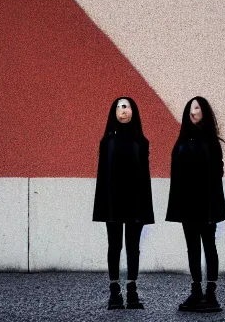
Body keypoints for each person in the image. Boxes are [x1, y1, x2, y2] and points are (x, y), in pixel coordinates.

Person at [166, 96, 225, 313]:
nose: (194, 112)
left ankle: (211, 293)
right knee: (192, 248)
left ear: (204, 112)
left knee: (209, 246)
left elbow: (218, 171)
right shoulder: (182, 139)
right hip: (187, 204)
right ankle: (195, 292)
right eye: (191, 109)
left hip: (207, 204)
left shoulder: (211, 140)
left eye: (198, 108)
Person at [93, 96, 154, 310]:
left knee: (133, 247)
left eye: (126, 106)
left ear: (133, 111)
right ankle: (114, 291)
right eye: (119, 107)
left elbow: (145, 178)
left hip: (136, 203)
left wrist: (146, 208)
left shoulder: (141, 141)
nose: (123, 110)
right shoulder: (107, 141)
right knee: (114, 246)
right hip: (113, 203)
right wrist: (103, 207)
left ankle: (132, 289)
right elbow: (103, 178)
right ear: (114, 112)